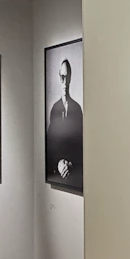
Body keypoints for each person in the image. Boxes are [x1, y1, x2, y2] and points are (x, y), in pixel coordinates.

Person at [46, 59, 83, 187]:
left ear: (71, 78)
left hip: (74, 176)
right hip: (57, 175)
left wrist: (71, 164)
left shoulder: (77, 109)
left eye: (67, 77)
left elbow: (81, 144)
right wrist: (58, 163)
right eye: (62, 77)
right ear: (59, 78)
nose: (65, 81)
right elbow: (50, 143)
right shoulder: (55, 109)